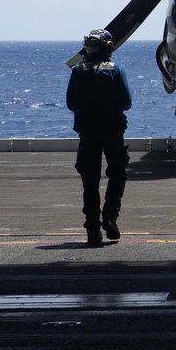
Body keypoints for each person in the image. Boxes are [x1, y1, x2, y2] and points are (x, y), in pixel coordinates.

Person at [66, 29, 132, 246]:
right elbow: (126, 102)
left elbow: (71, 103)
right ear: (108, 48)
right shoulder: (117, 69)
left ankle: (92, 229)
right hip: (113, 130)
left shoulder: (78, 70)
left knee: (90, 181)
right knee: (117, 173)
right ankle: (111, 216)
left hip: (88, 132)